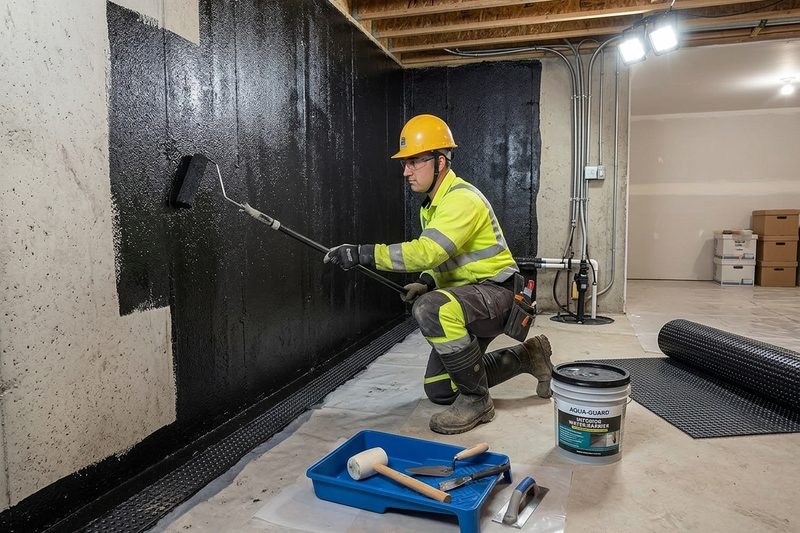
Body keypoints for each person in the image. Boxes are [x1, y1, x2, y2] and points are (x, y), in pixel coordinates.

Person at [324, 114, 553, 434]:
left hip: (498, 294)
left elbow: (427, 251)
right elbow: (444, 258)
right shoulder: (430, 207)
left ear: (440, 161)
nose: (406, 171)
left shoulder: (462, 199)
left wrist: (364, 253)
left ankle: (476, 400)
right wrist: (428, 281)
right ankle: (527, 356)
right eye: (405, 163)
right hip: (473, 297)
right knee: (440, 389)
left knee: (431, 309)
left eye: (414, 161)